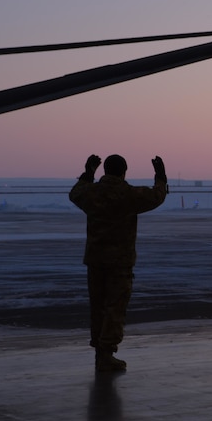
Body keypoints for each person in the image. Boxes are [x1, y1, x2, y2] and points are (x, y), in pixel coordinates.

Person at [70, 154, 168, 372]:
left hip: (95, 260)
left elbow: (75, 193)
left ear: (104, 170)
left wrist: (88, 172)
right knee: (115, 307)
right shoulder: (128, 195)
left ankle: (99, 351)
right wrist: (160, 176)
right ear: (124, 172)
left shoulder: (92, 192)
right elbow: (156, 196)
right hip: (119, 262)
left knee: (98, 306)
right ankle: (106, 352)